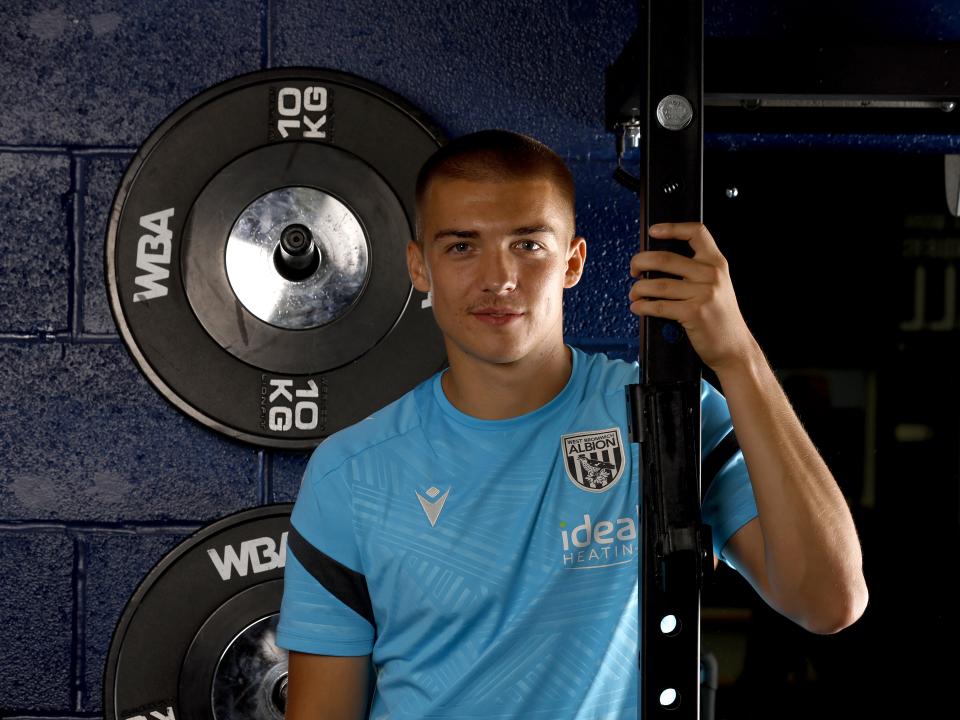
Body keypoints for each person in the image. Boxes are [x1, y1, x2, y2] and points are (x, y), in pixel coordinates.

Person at [276, 129, 868, 719]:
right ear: (420, 266)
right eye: (461, 246)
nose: (498, 278)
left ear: (573, 261)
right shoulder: (352, 474)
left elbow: (828, 600)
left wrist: (737, 354)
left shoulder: (662, 416)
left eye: (528, 245)